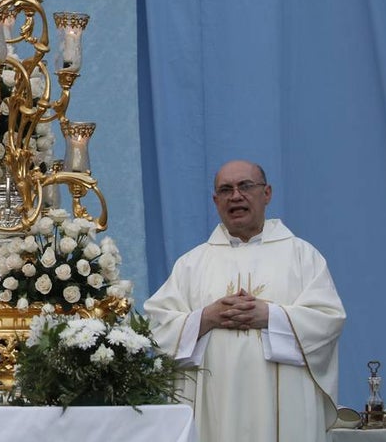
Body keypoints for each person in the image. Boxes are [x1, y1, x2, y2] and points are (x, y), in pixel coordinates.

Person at [143, 160, 345, 442]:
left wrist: (270, 316)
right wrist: (207, 318)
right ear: (216, 201)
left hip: (283, 409)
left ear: (267, 193)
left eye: (245, 186)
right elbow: (157, 328)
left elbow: (328, 320)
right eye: (226, 190)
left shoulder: (302, 256)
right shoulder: (192, 264)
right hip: (215, 404)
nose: (235, 196)